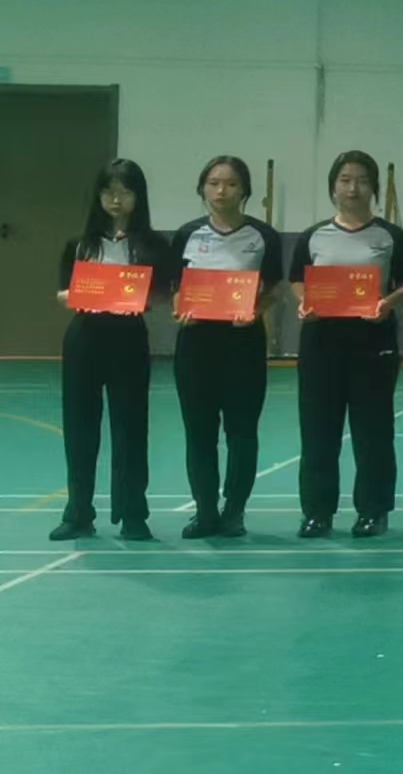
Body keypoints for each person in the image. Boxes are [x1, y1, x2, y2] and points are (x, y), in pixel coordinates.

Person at [287, 151, 403, 539]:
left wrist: (387, 304)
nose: (353, 188)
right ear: (333, 187)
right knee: (318, 432)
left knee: (373, 432)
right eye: (345, 180)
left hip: (373, 344)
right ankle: (317, 512)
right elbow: (297, 279)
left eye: (362, 180)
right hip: (320, 344)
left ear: (374, 188)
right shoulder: (313, 236)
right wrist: (304, 303)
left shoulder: (391, 236)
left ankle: (373, 511)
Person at [167, 156, 284, 539]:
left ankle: (234, 511)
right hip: (196, 345)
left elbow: (273, 288)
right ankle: (204, 511)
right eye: (214, 183)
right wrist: (180, 310)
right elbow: (176, 288)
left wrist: (255, 310)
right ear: (202, 188)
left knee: (242, 431)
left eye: (231, 184)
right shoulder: (187, 234)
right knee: (199, 432)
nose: (222, 191)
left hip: (243, 344)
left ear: (245, 190)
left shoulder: (263, 236)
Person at [50, 160, 165, 541]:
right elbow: (63, 292)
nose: (117, 199)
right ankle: (78, 512)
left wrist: (138, 296)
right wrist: (82, 295)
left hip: (128, 339)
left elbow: (162, 293)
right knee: (80, 427)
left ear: (138, 196)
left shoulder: (151, 245)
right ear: (98, 196)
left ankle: (133, 514)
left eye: (125, 191)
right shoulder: (80, 244)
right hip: (85, 338)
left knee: (131, 427)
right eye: (109, 191)